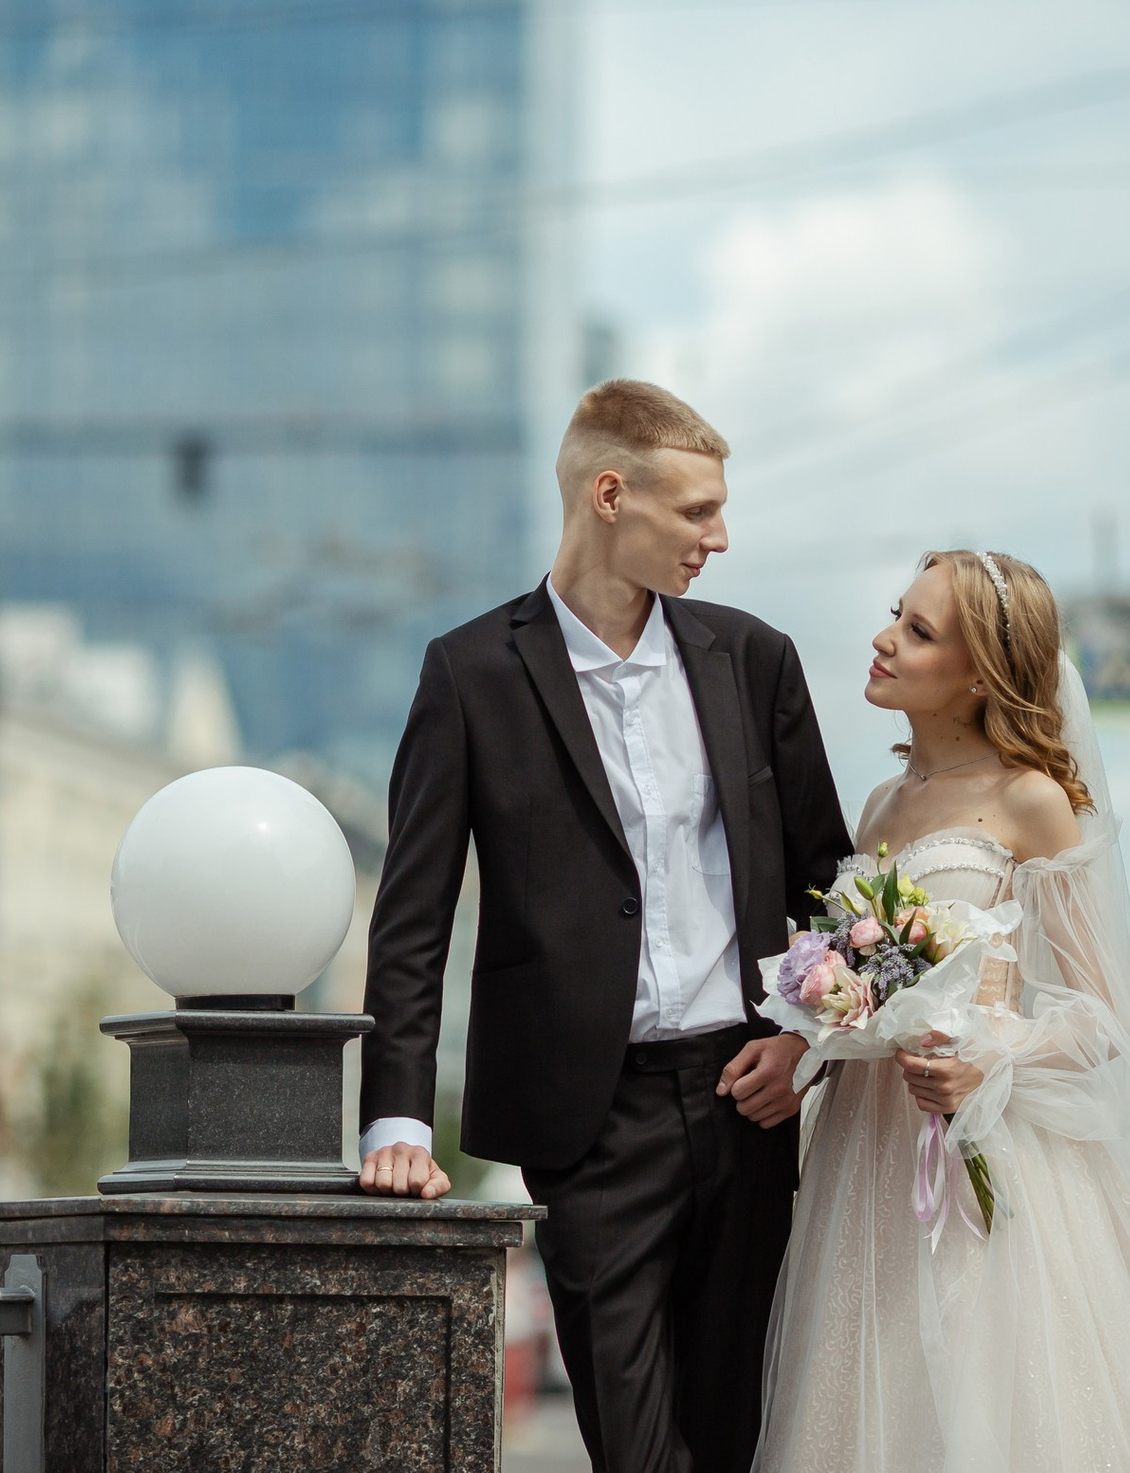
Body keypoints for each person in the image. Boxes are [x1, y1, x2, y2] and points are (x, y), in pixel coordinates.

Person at [359, 379, 852, 1473]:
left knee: (731, 1436)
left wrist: (808, 1043)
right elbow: (412, 914)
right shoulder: (472, 671)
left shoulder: (753, 657)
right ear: (611, 495)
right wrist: (395, 1120)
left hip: (745, 1097)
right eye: (696, 512)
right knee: (632, 1445)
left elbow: (831, 885)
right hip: (590, 1124)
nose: (717, 539)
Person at [754, 551, 1130, 1473]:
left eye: (919, 632)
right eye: (898, 613)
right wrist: (802, 1046)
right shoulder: (882, 804)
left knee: (987, 1403)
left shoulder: (1031, 800)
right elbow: (860, 986)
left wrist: (982, 1056)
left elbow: (1103, 1020)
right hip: (867, 1161)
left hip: (980, 1157)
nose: (885, 639)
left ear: (979, 674)